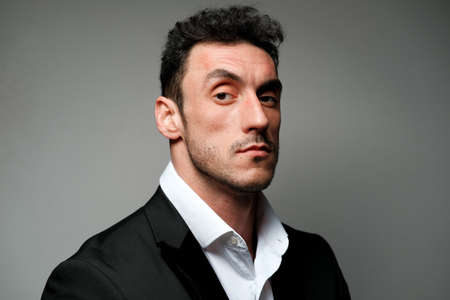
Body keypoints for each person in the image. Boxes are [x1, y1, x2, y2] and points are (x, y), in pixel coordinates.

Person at [41, 6, 350, 300]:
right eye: (224, 95)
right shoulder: (94, 282)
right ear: (169, 118)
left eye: (267, 97)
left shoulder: (317, 261)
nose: (259, 118)